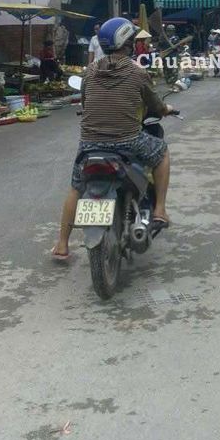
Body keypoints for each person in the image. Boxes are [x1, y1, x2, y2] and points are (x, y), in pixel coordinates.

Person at [52, 17, 177, 261]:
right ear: (127, 42)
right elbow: (157, 106)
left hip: (90, 145)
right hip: (127, 141)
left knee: (76, 187)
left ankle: (62, 244)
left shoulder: (89, 73)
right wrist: (166, 109)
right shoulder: (138, 73)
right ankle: (160, 209)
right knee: (161, 153)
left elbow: (87, 105)